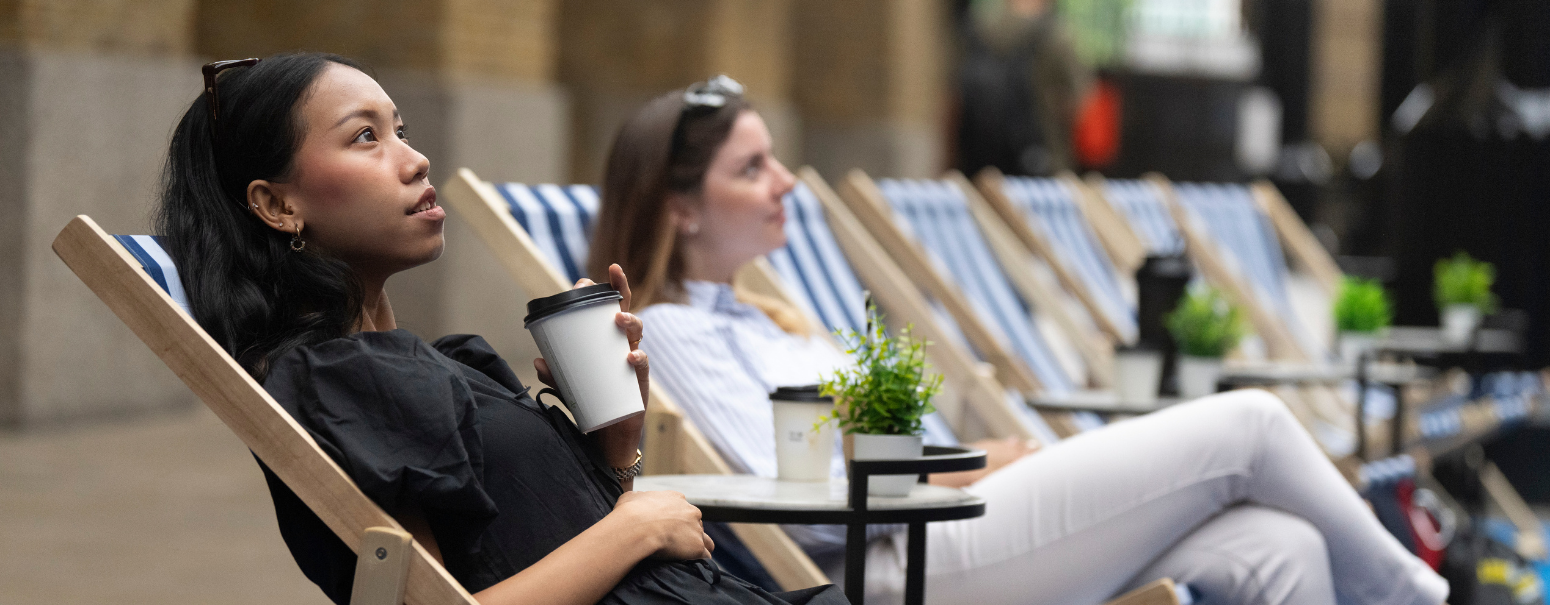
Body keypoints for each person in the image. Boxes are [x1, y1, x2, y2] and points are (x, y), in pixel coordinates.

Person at [587, 76, 1450, 605]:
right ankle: (1420, 596)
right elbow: (793, 502)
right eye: (752, 168)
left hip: (953, 527)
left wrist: (957, 463)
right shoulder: (674, 331)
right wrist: (960, 464)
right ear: (680, 207)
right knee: (1251, 424)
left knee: (1280, 547)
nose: (783, 182)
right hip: (894, 565)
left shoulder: (764, 315)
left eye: (774, 159)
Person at [153, 53, 846, 605]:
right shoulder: (338, 381)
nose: (415, 158)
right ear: (277, 205)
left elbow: (530, 532)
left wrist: (615, 444)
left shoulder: (422, 364)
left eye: (401, 128)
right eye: (366, 136)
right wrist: (632, 529)